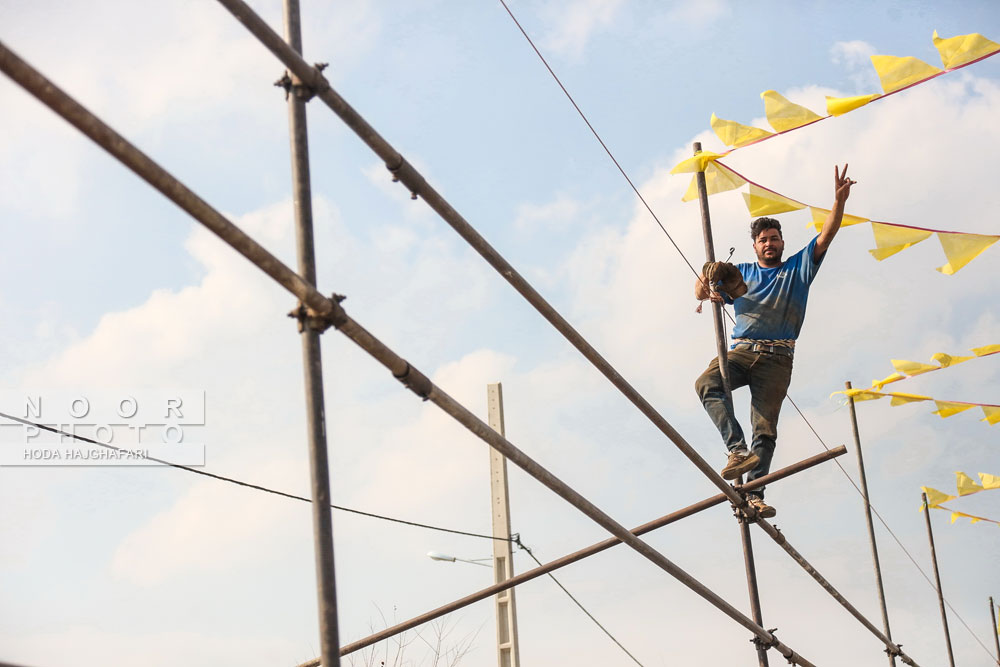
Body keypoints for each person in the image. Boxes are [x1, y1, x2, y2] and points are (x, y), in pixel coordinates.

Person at [694, 164, 856, 518]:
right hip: (741, 351)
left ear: (782, 243)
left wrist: (838, 203)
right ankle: (736, 450)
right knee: (707, 383)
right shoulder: (743, 273)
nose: (769, 244)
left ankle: (753, 493)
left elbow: (826, 236)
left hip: (777, 358)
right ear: (754, 246)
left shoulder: (798, 268)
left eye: (774, 238)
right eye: (763, 239)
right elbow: (704, 288)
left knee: (765, 428)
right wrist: (710, 286)